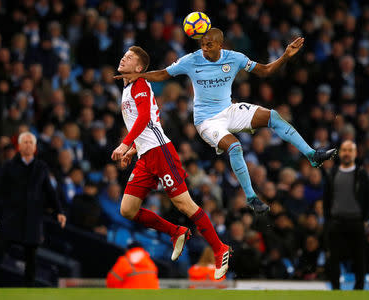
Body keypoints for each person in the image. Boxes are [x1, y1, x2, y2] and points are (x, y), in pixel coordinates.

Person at [114, 28, 336, 214]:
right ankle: (251, 197)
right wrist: (140, 75)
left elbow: (266, 71)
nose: (204, 48)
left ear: (221, 45)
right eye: (202, 44)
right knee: (235, 147)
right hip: (206, 121)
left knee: (273, 116)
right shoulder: (191, 60)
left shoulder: (235, 57)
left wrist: (286, 56)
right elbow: (163, 74)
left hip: (228, 110)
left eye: (209, 44)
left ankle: (311, 155)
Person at [111, 46, 231, 280]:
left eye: (130, 57)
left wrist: (125, 144)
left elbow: (146, 118)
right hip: (146, 155)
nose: (123, 57)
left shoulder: (139, 85)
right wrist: (135, 148)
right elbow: (149, 122)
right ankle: (176, 231)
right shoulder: (127, 88)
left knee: (184, 204)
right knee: (127, 209)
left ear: (139, 68)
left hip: (160, 151)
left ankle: (219, 248)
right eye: (124, 54)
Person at [0, 132, 66, 286]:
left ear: (34, 147)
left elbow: (50, 191)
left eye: (30, 143)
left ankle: (29, 290)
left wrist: (59, 211)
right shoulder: (8, 166)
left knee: (31, 258)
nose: (28, 145)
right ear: (19, 146)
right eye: (25, 142)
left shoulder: (41, 167)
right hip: (11, 217)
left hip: (32, 219)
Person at [323, 140, 369, 290]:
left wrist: (365, 219)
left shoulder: (362, 173)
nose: (346, 153)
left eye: (350, 150)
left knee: (359, 258)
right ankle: (336, 289)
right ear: (340, 153)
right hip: (336, 221)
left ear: (355, 153)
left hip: (356, 221)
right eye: (344, 150)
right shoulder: (332, 173)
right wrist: (328, 219)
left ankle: (359, 289)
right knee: (334, 258)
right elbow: (326, 199)